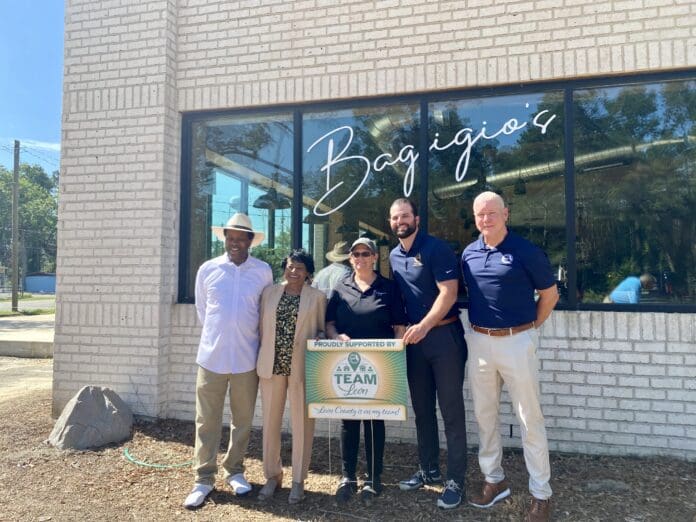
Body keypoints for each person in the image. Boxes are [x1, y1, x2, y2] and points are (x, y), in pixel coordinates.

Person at [461, 191, 559, 522]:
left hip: (517, 342)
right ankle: (494, 480)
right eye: (479, 214)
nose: (485, 219)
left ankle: (540, 494)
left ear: (506, 214)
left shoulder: (525, 251)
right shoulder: (469, 254)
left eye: (491, 213)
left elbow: (550, 294)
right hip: (479, 343)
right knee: (485, 416)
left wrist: (530, 326)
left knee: (530, 419)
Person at [184, 213, 273, 509]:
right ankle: (203, 478)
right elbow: (203, 310)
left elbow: (263, 313)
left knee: (243, 420)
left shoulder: (263, 272)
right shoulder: (208, 270)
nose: (235, 243)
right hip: (211, 358)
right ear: (225, 239)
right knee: (206, 421)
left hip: (247, 359)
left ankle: (235, 470)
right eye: (230, 238)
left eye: (240, 238)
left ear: (250, 241)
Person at [388, 198, 468, 510]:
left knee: (451, 412)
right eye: (395, 217)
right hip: (415, 342)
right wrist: (400, 328)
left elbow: (448, 293)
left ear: (416, 219)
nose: (400, 221)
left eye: (405, 215)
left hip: (444, 338)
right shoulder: (394, 256)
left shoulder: (437, 249)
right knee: (422, 411)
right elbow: (400, 299)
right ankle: (428, 469)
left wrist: (423, 325)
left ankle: (456, 480)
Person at [325, 237, 407, 505]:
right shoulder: (340, 287)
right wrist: (336, 337)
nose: (360, 258)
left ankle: (373, 479)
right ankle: (348, 477)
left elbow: (398, 327)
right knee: (348, 420)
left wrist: (395, 358)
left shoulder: (389, 288)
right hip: (347, 366)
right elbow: (330, 323)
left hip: (378, 366)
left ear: (374, 257)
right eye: (355, 254)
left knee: (374, 421)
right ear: (350, 259)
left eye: (365, 253)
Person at [256, 250, 327, 504]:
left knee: (303, 425)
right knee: (270, 424)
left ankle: (298, 480)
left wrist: (320, 338)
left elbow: (320, 328)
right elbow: (262, 329)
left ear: (308, 272)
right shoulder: (269, 293)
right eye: (289, 266)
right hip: (271, 366)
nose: (294, 272)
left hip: (301, 368)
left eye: (299, 268)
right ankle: (272, 476)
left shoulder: (317, 298)